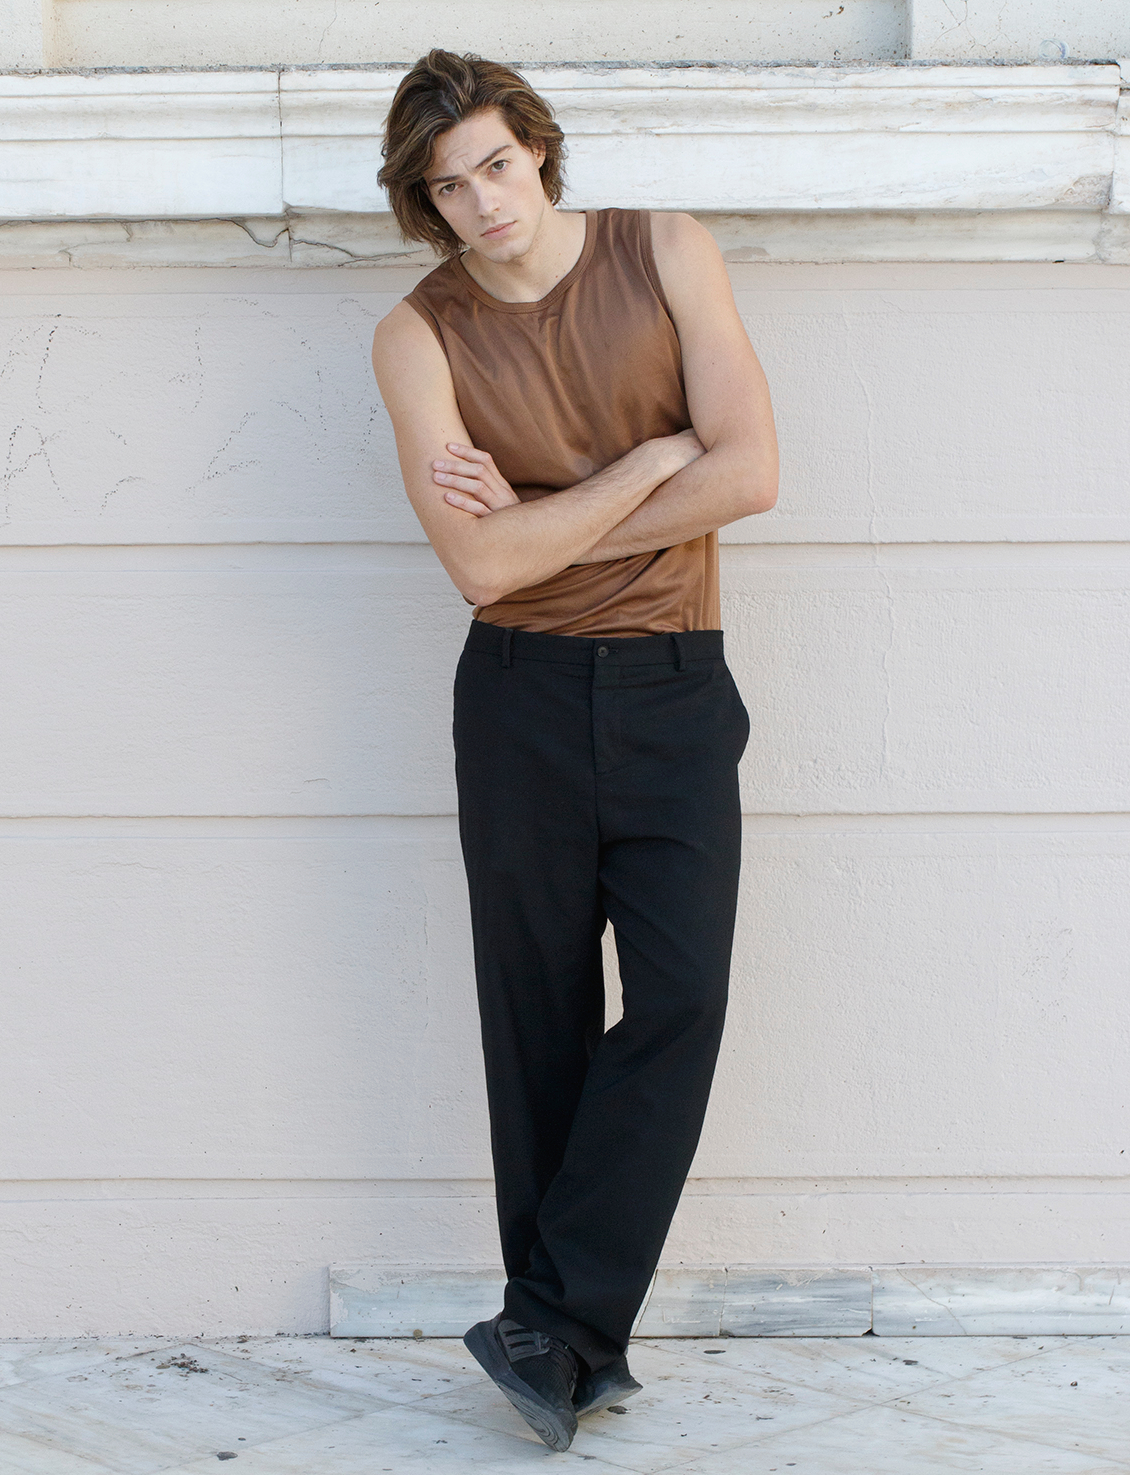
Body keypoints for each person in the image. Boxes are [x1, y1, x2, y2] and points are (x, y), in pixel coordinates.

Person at [371, 49, 778, 1453]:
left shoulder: (663, 250)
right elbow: (481, 571)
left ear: (536, 150)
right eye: (449, 187)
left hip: (675, 683)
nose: (484, 203)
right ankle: (559, 1347)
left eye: (496, 164)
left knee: (681, 997)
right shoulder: (416, 337)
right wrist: (652, 463)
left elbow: (750, 470)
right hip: (520, 698)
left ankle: (551, 1319)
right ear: (427, 204)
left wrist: (550, 518)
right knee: (535, 1018)